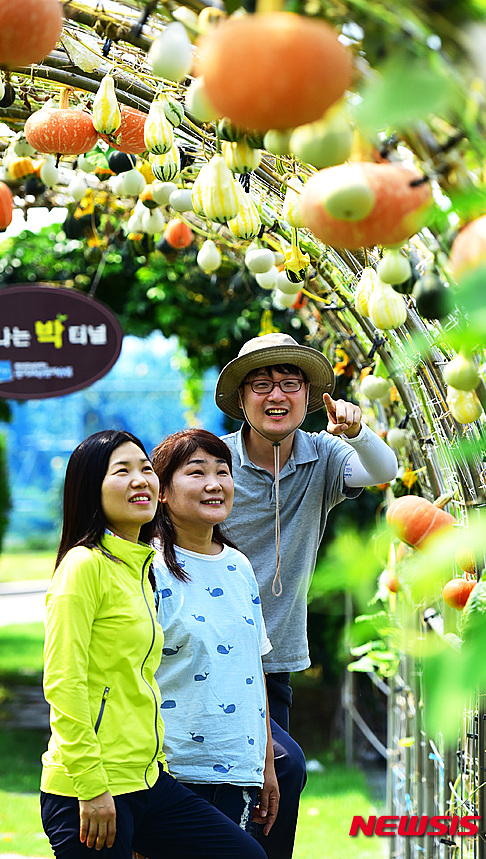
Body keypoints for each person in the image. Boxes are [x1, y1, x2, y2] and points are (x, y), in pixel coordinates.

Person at [40, 428, 266, 859]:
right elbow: (64, 683)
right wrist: (91, 786)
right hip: (91, 788)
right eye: (121, 471)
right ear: (91, 488)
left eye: (145, 469)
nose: (140, 480)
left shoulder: (138, 568)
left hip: (147, 781)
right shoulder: (83, 566)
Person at [215, 332, 399, 858]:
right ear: (242, 400)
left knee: (269, 790)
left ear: (309, 396)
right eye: (261, 384)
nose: (276, 395)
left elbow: (383, 470)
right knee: (270, 771)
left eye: (289, 383)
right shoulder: (215, 462)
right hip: (209, 655)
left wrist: (359, 432)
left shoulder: (323, 454)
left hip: (274, 661)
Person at [151, 428, 279, 835]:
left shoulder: (239, 566)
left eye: (222, 471)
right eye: (196, 472)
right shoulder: (148, 568)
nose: (214, 484)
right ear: (162, 491)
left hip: (239, 770)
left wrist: (266, 764)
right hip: (171, 772)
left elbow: (252, 669)